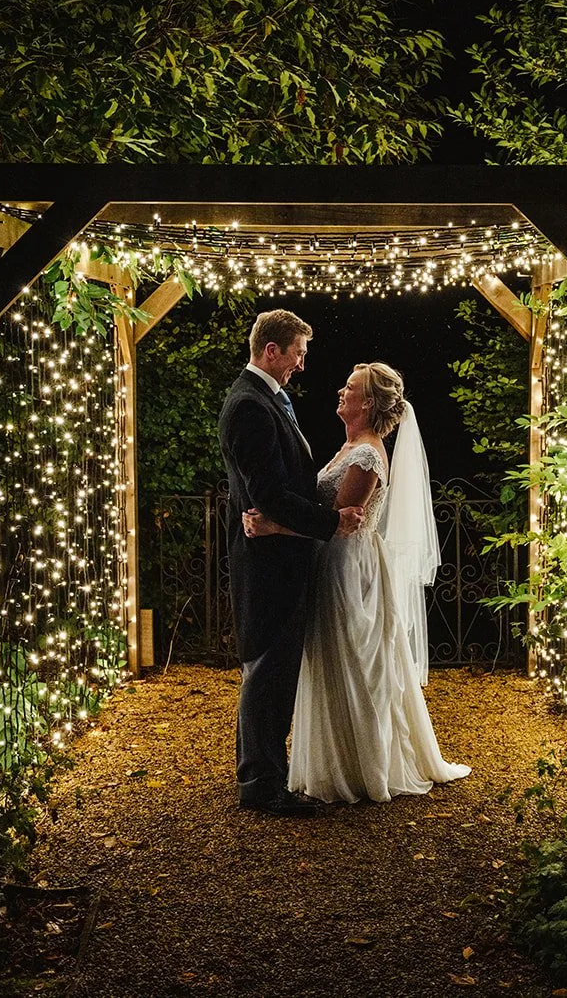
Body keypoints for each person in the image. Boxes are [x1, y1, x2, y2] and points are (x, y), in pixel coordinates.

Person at [245, 362, 470, 804]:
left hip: (350, 568)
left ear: (367, 402)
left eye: (350, 388)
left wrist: (272, 527)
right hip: (333, 562)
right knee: (334, 658)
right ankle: (334, 760)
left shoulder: (367, 454)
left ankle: (360, 767)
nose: (340, 392)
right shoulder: (350, 446)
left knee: (353, 661)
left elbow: (342, 524)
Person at [218, 310, 364, 817]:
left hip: (278, 555)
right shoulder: (250, 408)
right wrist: (331, 521)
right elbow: (271, 495)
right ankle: (261, 785)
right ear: (272, 351)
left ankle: (263, 776)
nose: (301, 367)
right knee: (268, 671)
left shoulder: (263, 401)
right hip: (269, 563)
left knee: (271, 671)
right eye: (298, 355)